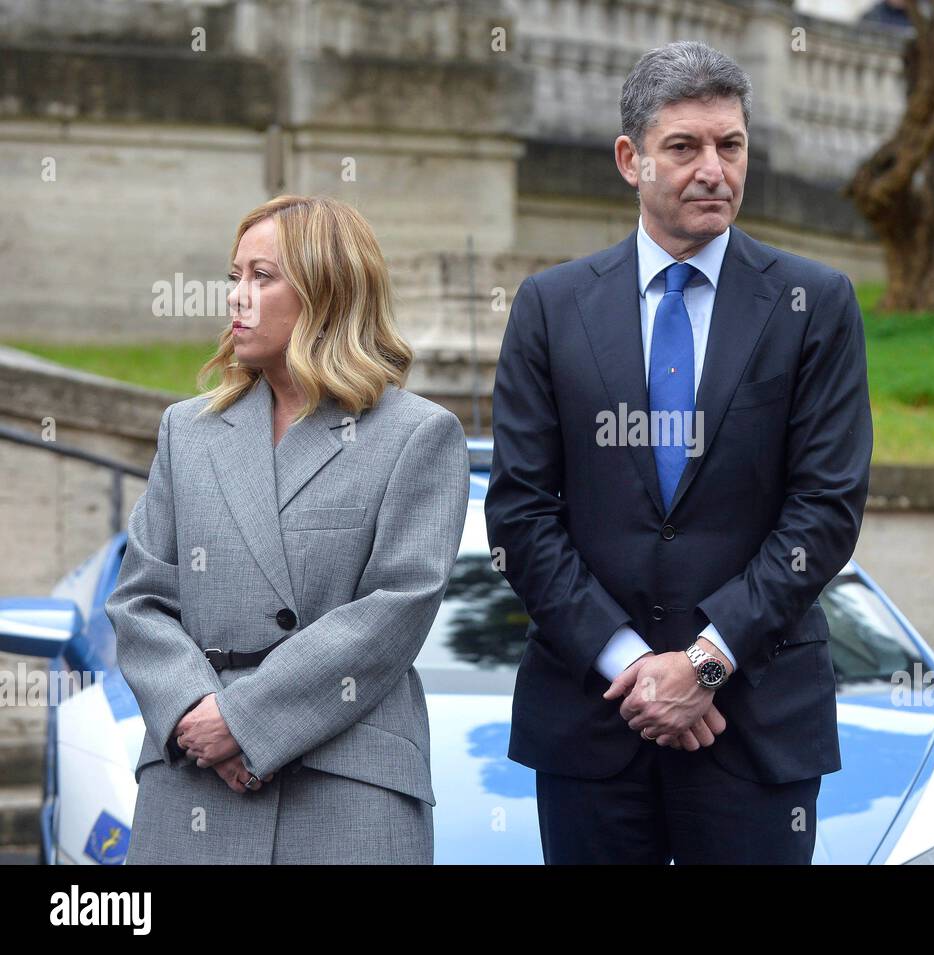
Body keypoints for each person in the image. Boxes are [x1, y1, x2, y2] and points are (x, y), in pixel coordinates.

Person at [485, 41, 873, 864]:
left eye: (730, 146)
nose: (713, 170)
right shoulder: (552, 307)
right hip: (593, 721)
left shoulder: (815, 304)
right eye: (684, 147)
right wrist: (635, 667)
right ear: (631, 159)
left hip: (754, 722)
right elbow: (521, 511)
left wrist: (703, 662)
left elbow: (826, 510)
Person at [105, 194, 470, 864]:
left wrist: (246, 721)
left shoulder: (416, 434)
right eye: (233, 277)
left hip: (344, 785)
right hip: (194, 781)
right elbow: (141, 599)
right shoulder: (188, 432)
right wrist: (195, 712)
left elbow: (394, 610)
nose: (237, 298)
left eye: (262, 277)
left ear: (327, 292)